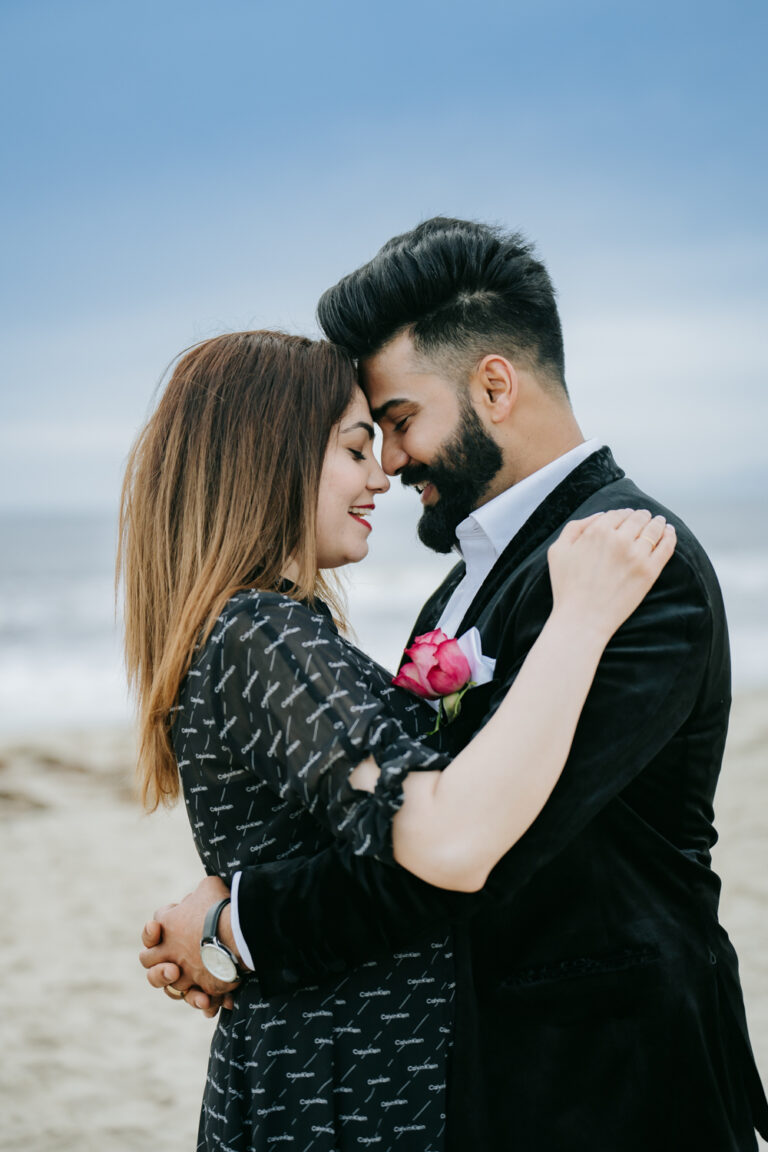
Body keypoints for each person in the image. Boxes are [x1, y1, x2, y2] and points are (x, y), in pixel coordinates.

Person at [140, 221, 768, 1152]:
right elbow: (396, 805)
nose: (389, 465)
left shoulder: (634, 565)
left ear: (493, 386)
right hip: (476, 1075)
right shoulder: (457, 581)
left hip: (607, 1078)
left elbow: (481, 855)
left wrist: (240, 921)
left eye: (396, 423)